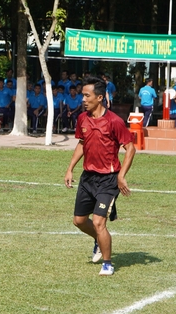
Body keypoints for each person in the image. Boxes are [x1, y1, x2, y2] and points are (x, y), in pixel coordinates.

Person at [64, 76, 136, 276]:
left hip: (108, 180)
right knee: (79, 221)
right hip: (88, 178)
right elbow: (81, 143)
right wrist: (70, 168)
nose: (83, 99)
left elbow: (130, 148)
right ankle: (98, 239)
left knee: (98, 222)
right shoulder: (82, 118)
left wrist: (121, 176)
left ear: (100, 98)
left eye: (87, 96)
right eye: (82, 95)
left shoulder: (114, 121)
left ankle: (107, 263)